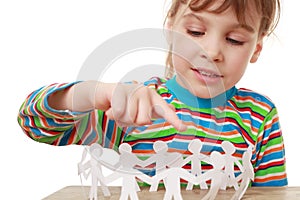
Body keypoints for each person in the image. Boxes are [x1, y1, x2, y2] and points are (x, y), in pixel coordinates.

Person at [17, 0, 287, 187]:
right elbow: (34, 123)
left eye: (234, 40)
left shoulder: (260, 115)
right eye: (195, 31)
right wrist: (89, 93)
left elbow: (272, 194)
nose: (212, 52)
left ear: (257, 49)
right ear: (171, 28)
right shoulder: (134, 105)